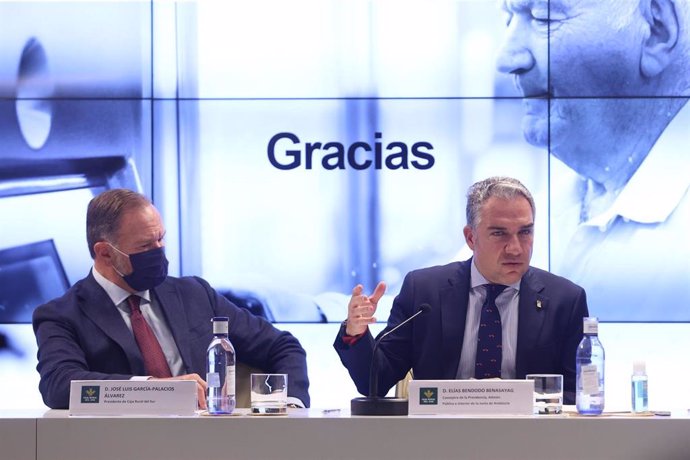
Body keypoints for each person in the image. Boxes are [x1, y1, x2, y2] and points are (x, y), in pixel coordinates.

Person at [496, 0, 690, 320]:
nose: (506, 58)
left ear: (657, 30)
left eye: (543, 18)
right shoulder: (554, 205)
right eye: (508, 19)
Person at [33, 189, 310, 409]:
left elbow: (282, 346)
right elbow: (59, 384)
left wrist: (291, 407)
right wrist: (159, 390)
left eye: (161, 240)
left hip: (212, 446)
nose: (159, 252)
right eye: (145, 246)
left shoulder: (194, 294)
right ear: (105, 253)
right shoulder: (62, 315)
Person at [334, 176, 588, 403]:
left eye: (525, 232)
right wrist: (356, 332)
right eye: (499, 233)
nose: (516, 248)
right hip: (439, 441)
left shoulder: (565, 300)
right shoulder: (424, 292)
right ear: (470, 238)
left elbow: (578, 396)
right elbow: (374, 383)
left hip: (531, 444)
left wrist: (511, 398)